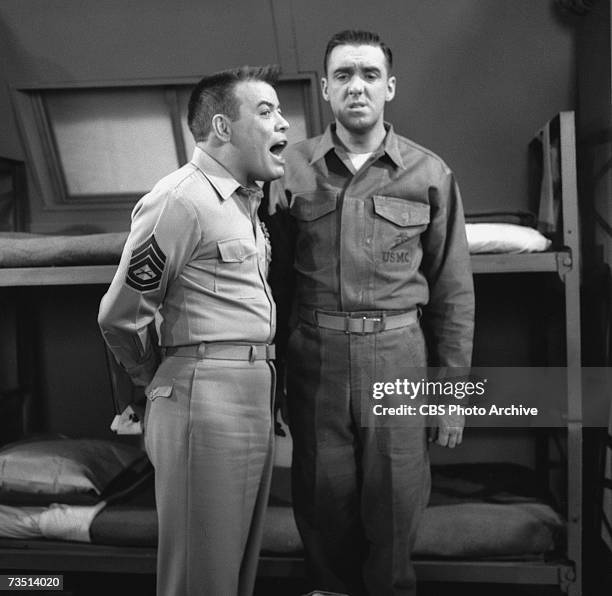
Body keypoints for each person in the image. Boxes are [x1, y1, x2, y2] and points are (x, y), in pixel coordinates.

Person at [264, 30, 475, 596]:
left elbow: (453, 293)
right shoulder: (288, 171)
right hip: (316, 360)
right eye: (343, 76)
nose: (357, 86)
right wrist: (274, 380)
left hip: (399, 357)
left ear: (390, 87)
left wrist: (451, 397)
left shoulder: (430, 174)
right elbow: (272, 286)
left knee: (397, 503)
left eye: (369, 75)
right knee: (321, 503)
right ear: (327, 89)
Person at [98, 65, 289, 596]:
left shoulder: (244, 204)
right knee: (199, 579)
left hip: (252, 392)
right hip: (202, 394)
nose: (285, 126)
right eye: (267, 111)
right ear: (223, 128)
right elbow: (120, 314)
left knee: (232, 572)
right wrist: (152, 376)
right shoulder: (180, 200)